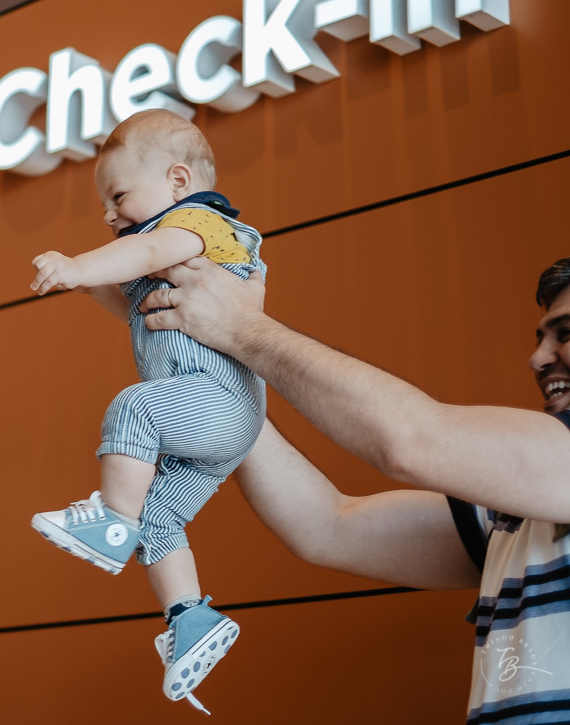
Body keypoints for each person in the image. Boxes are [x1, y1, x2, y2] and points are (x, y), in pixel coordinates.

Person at [141, 255, 570, 724]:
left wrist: (239, 329)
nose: (538, 357)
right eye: (542, 336)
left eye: (564, 334)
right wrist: (208, 382)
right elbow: (326, 526)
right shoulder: (516, 513)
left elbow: (411, 440)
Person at [26, 109, 265, 712]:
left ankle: (111, 520)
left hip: (215, 401)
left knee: (135, 409)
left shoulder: (202, 225)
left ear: (179, 181)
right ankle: (191, 620)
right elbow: (137, 303)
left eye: (119, 195)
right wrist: (92, 286)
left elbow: (147, 248)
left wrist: (82, 264)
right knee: (161, 525)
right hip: (214, 422)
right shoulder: (164, 250)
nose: (109, 215)